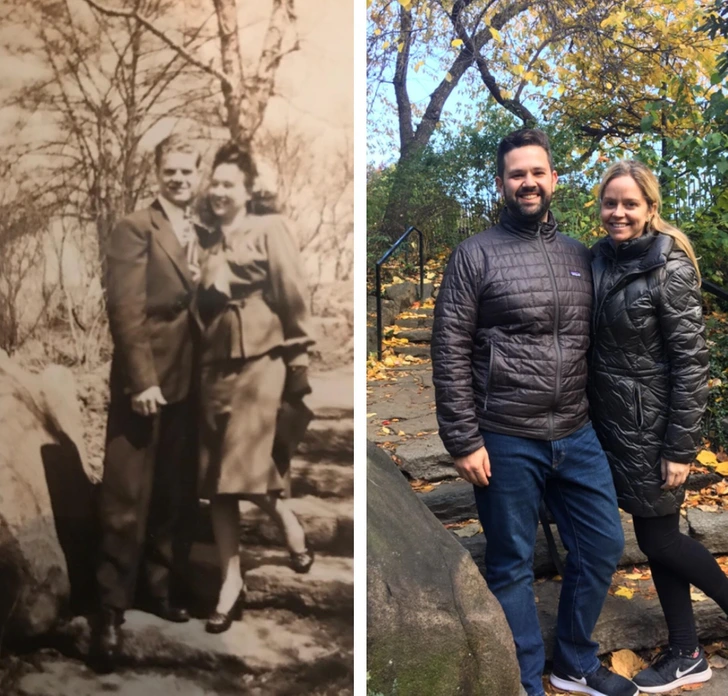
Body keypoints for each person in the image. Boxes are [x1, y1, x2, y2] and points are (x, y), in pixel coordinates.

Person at [432, 129, 638, 696]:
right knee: (510, 562)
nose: (528, 182)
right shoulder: (474, 254)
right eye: (517, 173)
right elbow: (449, 347)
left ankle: (574, 660)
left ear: (553, 179)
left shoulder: (579, 254)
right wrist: (462, 438)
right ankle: (526, 681)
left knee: (601, 546)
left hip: (576, 430)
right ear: (502, 183)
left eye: (538, 172)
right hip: (504, 434)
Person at [590, 160, 724, 693]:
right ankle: (688, 651)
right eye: (610, 202)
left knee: (661, 538)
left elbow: (692, 362)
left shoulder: (669, 267)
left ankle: (690, 647)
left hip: (653, 430)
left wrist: (680, 446)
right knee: (656, 535)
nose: (618, 212)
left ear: (650, 209)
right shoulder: (598, 259)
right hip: (611, 423)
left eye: (630, 203)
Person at [92, 134, 203, 669]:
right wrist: (141, 381)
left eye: (187, 171)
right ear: (157, 172)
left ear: (198, 175)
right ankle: (108, 612)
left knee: (174, 495)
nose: (179, 179)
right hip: (147, 384)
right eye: (171, 171)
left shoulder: (202, 231)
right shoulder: (135, 226)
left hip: (189, 386)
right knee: (126, 497)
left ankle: (157, 592)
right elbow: (125, 307)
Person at [196, 141, 315, 634]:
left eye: (229, 183)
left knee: (239, 463)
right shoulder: (202, 239)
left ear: (247, 190)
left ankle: (272, 534)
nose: (220, 191)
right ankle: (236, 575)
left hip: (262, 358)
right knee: (217, 481)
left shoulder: (269, 228)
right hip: (212, 364)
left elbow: (292, 291)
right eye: (216, 183)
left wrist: (299, 356)